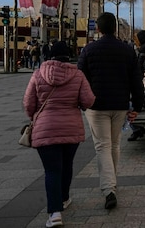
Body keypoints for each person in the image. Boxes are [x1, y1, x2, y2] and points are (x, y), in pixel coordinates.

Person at [23, 41, 96, 227]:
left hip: (45, 129)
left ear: (49, 56)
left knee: (52, 170)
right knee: (66, 164)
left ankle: (55, 213)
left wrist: (38, 114)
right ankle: (63, 198)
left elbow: (28, 105)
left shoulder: (38, 74)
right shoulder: (78, 75)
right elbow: (88, 101)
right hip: (71, 127)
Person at [77, 12, 144, 210]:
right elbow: (136, 80)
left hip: (96, 105)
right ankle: (111, 183)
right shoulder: (127, 50)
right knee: (114, 145)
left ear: (98, 29)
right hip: (120, 104)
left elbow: (81, 79)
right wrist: (137, 107)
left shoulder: (88, 50)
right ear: (115, 28)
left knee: (102, 146)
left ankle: (108, 189)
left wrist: (82, 102)